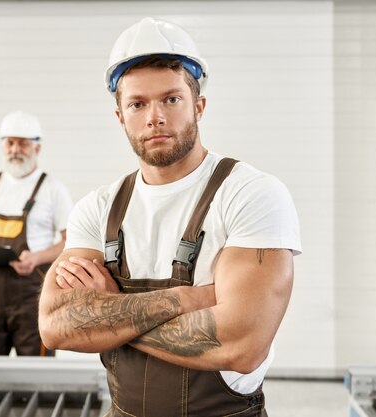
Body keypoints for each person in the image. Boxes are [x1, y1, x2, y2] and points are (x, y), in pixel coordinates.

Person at [38, 17, 301, 416]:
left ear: (199, 105)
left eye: (171, 99)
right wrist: (184, 298)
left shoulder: (250, 194)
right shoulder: (99, 207)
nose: (154, 117)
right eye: (137, 104)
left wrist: (110, 313)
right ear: (120, 117)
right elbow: (56, 325)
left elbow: (243, 344)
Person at [0, 110, 73, 356]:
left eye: (23, 144)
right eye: (10, 143)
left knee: (35, 369)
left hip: (32, 297)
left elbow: (70, 241)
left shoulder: (53, 190)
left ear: (37, 148)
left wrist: (37, 258)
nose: (15, 149)